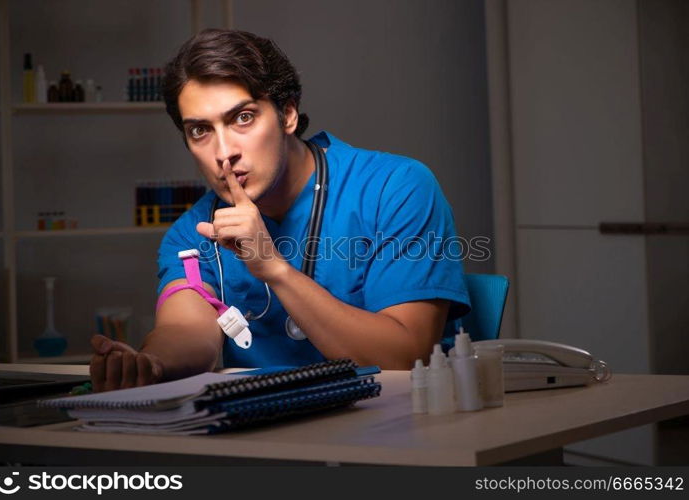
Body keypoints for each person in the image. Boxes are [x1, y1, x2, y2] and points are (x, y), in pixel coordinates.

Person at [89, 29, 470, 392]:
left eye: (243, 118)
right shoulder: (193, 233)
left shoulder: (395, 187)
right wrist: (150, 363)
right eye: (200, 131)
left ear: (288, 114)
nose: (224, 152)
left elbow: (404, 357)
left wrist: (274, 268)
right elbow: (188, 332)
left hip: (398, 428)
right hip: (269, 436)